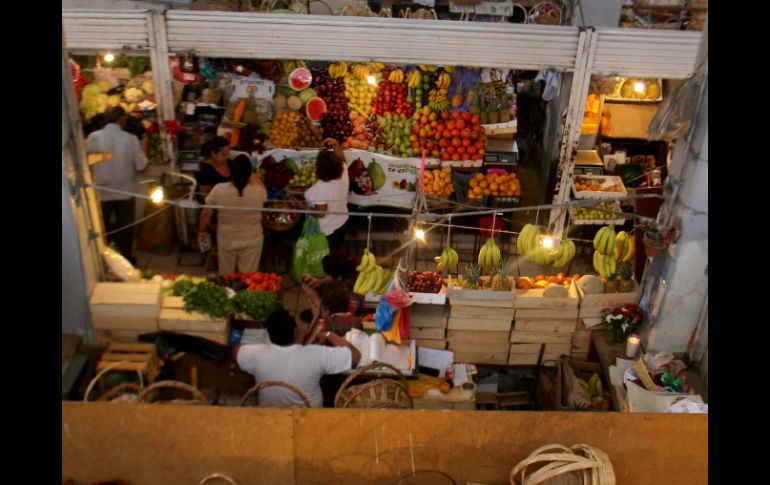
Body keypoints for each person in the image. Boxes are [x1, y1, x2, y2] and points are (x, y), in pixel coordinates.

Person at [235, 309, 361, 408]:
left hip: (273, 418)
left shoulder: (256, 354)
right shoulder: (316, 353)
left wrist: (252, 348)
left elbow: (235, 352)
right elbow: (355, 356)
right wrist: (329, 335)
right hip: (310, 419)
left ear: (269, 334)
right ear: (295, 331)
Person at [86, 106, 149, 264]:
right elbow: (142, 165)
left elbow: (90, 162)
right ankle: (125, 260)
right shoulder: (130, 139)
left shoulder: (94, 137)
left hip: (102, 191)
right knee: (125, 229)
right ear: (121, 118)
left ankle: (101, 260)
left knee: (101, 229)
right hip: (125, 192)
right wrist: (144, 146)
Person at [198, 155, 266, 275]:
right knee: (248, 277)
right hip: (252, 238)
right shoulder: (259, 191)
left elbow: (206, 212)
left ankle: (228, 287)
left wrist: (202, 230)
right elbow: (261, 187)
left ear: (231, 171)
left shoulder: (219, 189)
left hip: (226, 237)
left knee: (226, 275)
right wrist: (249, 173)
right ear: (249, 173)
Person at [303, 138, 350, 250]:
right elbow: (342, 159)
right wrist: (336, 144)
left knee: (325, 257)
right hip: (341, 222)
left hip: (326, 232)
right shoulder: (343, 172)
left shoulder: (319, 189)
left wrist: (304, 208)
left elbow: (321, 213)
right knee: (337, 253)